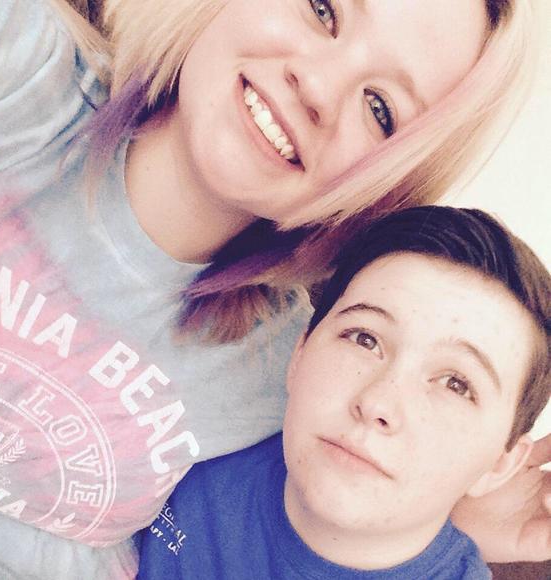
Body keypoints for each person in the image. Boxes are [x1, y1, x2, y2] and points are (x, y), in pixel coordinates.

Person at [0, 0, 548, 578]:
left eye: (380, 109)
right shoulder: (8, 61)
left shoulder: (292, 363)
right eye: (323, 11)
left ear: (386, 183)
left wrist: (447, 512)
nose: (318, 87)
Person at [135, 206, 551, 580]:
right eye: (364, 338)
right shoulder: (193, 423)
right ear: (300, 352)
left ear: (500, 465)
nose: (377, 403)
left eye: (456, 384)